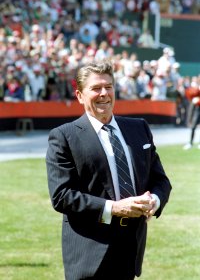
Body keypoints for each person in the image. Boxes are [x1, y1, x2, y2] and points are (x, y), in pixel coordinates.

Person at [46, 60, 172, 280]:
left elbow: (160, 181)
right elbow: (62, 196)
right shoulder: (64, 136)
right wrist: (114, 208)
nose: (104, 93)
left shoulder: (139, 128)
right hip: (89, 253)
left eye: (108, 86)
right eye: (96, 88)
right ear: (79, 95)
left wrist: (155, 201)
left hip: (131, 247)